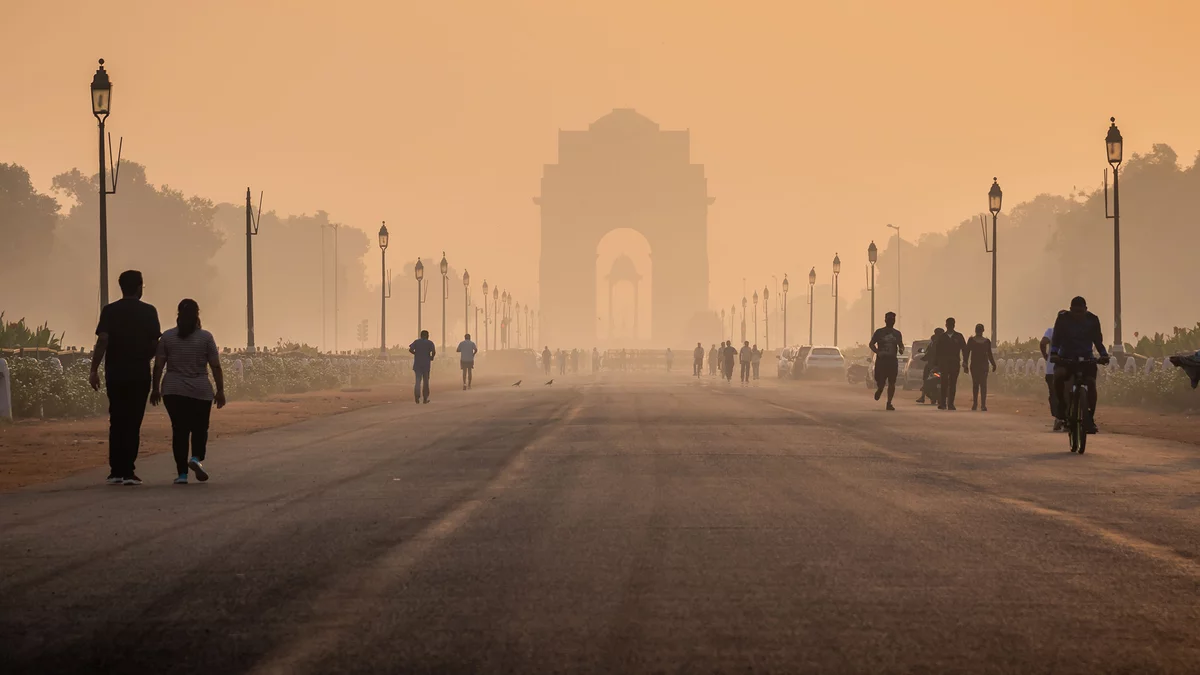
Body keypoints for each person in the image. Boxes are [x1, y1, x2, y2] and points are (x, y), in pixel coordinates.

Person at [89, 270, 161, 486]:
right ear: (139, 287)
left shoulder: (110, 311)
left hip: (115, 373)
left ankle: (116, 471)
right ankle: (128, 470)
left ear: (121, 287)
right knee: (133, 422)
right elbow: (155, 344)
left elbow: (102, 341)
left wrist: (94, 370)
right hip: (139, 374)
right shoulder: (149, 312)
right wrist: (143, 358)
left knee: (117, 420)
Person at [150, 299, 225, 484]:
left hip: (173, 390)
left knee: (180, 430)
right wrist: (220, 390)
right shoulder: (206, 338)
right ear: (197, 314)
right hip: (200, 390)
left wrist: (155, 389)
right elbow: (215, 365)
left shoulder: (167, 337)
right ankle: (196, 458)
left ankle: (182, 474)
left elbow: (158, 365)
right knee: (200, 428)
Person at [1050, 296, 1110, 435]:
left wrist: (1103, 354)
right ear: (1070, 310)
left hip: (1086, 357)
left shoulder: (1093, 320)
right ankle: (1062, 407)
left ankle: (1090, 418)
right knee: (1058, 375)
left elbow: (1098, 341)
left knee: (1091, 383)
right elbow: (1056, 339)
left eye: (1080, 312)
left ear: (1086, 310)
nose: (1078, 315)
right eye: (1075, 312)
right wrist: (1054, 354)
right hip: (1066, 357)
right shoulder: (1063, 319)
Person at [869, 311, 904, 411]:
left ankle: (889, 403)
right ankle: (880, 389)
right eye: (889, 319)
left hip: (892, 360)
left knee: (892, 382)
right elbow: (871, 344)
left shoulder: (897, 334)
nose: (891, 321)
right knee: (880, 381)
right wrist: (877, 352)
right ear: (885, 320)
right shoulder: (879, 332)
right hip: (881, 360)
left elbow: (901, 345)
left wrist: (901, 349)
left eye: (893, 319)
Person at [963, 323, 996, 411]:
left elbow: (966, 353)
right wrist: (993, 364)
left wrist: (965, 364)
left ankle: (975, 404)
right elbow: (990, 354)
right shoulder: (986, 341)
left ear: (975, 330)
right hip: (983, 366)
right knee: (983, 385)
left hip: (975, 365)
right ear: (983, 330)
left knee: (975, 385)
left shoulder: (971, 340)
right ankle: (983, 405)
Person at [934, 318, 966, 410]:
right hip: (944, 363)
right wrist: (936, 364)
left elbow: (964, 349)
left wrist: (965, 361)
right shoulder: (942, 337)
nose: (950, 325)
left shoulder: (958, 336)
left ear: (954, 325)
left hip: (955, 362)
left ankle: (951, 403)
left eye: (952, 324)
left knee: (953, 383)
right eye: (949, 324)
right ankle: (943, 403)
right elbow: (937, 350)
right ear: (946, 325)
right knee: (944, 383)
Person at [1040, 326, 1062, 430]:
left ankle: (1058, 418)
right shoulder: (1073, 330)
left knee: (1054, 394)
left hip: (1052, 369)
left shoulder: (1051, 330)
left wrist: (1045, 355)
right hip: (1068, 367)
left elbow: (1043, 343)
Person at [915, 328, 943, 404]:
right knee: (926, 378)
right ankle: (923, 396)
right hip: (940, 365)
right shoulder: (937, 342)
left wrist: (924, 358)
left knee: (926, 378)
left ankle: (923, 396)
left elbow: (928, 354)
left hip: (935, 365)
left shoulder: (934, 343)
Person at [409, 330, 436, 403]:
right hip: (426, 365)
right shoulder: (430, 343)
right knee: (426, 381)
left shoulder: (416, 342)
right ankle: (425, 398)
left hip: (417, 364)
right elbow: (433, 352)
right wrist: (431, 357)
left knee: (418, 381)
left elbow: (410, 349)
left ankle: (417, 397)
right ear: (427, 335)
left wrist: (416, 353)